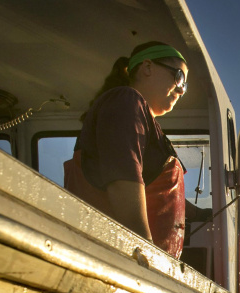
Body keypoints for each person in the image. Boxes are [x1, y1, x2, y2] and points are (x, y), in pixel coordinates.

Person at [64, 41, 205, 258]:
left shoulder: (144, 118)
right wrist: (145, 255)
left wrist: (201, 214)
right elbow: (123, 180)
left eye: (185, 86)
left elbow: (157, 190)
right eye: (179, 77)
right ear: (147, 67)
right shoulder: (126, 100)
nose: (181, 89)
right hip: (117, 260)